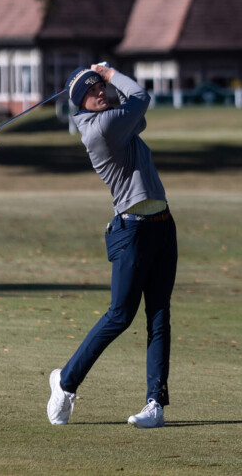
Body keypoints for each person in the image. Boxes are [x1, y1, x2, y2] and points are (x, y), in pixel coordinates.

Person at [46, 63, 178, 429]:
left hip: (162, 226)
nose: (100, 92)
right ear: (80, 104)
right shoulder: (101, 128)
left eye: (100, 87)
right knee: (120, 315)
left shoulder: (115, 120)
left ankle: (155, 404)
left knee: (159, 316)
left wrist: (109, 83)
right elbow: (141, 96)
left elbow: (135, 107)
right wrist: (109, 73)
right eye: (91, 91)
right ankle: (65, 382)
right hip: (131, 231)